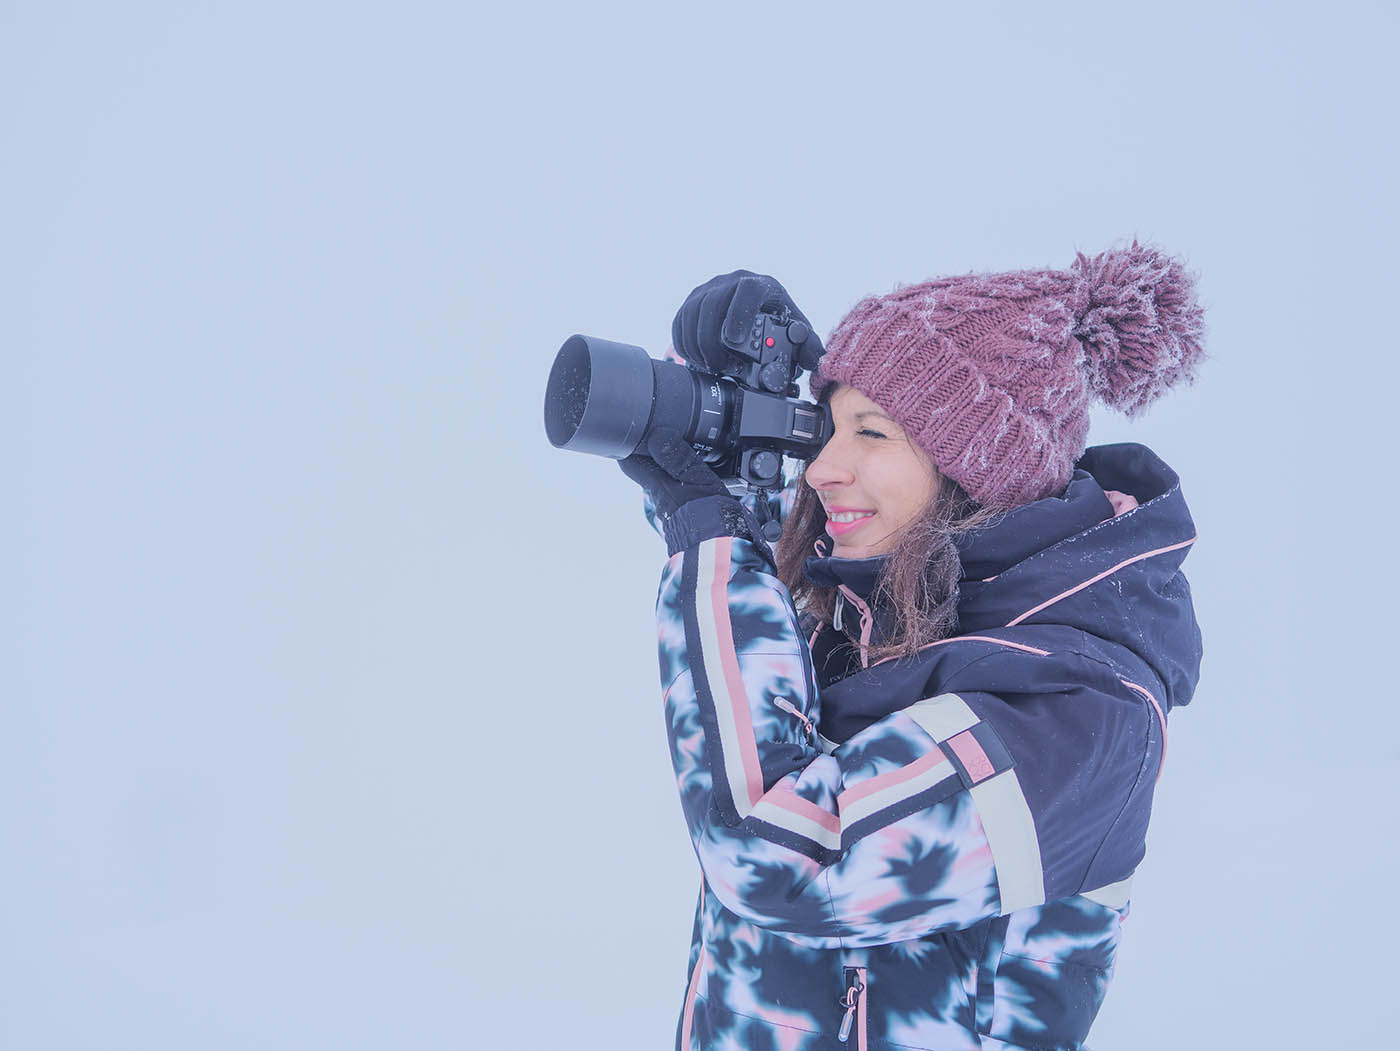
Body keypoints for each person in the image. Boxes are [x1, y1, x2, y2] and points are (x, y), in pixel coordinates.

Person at [618, 243, 1206, 1050]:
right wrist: (730, 434)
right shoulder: (886, 622)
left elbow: (780, 855)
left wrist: (710, 546)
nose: (822, 467)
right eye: (826, 429)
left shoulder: (1080, 714)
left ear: (979, 469)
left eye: (872, 432)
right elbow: (763, 693)